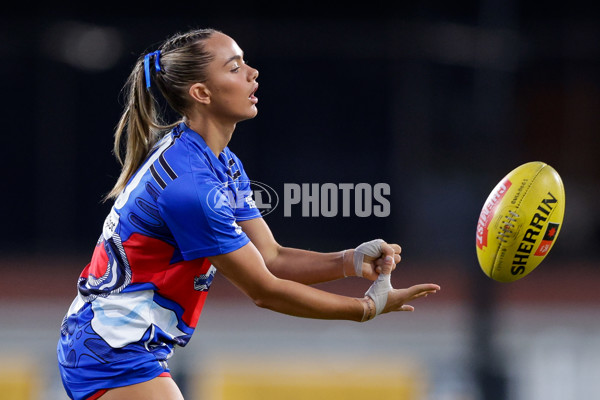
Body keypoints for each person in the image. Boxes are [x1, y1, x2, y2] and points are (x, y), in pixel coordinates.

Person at [56, 28, 441, 400]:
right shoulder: (192, 187)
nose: (252, 73)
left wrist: (350, 261)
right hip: (111, 353)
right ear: (201, 93)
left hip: (113, 344)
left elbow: (271, 257)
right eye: (235, 67)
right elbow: (263, 291)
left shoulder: (217, 160)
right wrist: (366, 309)